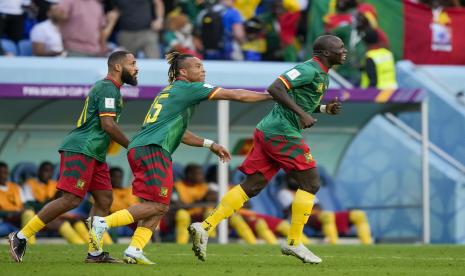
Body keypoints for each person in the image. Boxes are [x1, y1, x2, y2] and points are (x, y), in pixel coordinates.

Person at [88, 51, 271, 265]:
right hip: (153, 150)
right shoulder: (189, 88)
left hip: (142, 148)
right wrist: (270, 95)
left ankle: (134, 250)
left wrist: (210, 144)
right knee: (159, 205)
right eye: (197, 66)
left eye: (203, 66)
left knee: (156, 204)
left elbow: (179, 132)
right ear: (183, 72)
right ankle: (103, 223)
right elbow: (236, 95)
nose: (203, 70)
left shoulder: (170, 92)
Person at [189, 35, 347, 264]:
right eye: (339, 47)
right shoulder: (308, 69)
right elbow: (275, 88)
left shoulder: (322, 75)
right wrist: (303, 115)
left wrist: (323, 108)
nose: (344, 51)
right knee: (311, 183)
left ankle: (205, 226)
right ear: (324, 52)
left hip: (270, 131)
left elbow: (301, 101)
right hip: (281, 132)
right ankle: (294, 242)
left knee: (251, 186)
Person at [8, 50, 138, 263]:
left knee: (104, 199)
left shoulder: (112, 90)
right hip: (81, 148)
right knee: (71, 199)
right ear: (117, 67)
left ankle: (95, 253)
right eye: (132, 63)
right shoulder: (107, 88)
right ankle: (20, 237)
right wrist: (132, 147)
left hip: (95, 153)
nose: (136, 68)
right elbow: (108, 125)